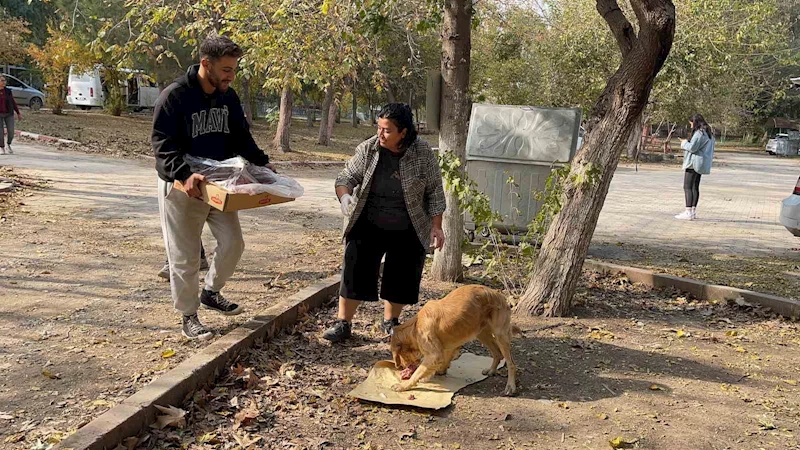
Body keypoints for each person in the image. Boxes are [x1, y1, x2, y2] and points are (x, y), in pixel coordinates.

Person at [153, 34, 274, 340]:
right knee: (186, 255)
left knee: (234, 243)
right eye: (226, 69)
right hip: (183, 185)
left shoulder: (228, 97)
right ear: (206, 64)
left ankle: (211, 291)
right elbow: (162, 145)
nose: (231, 76)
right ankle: (188, 316)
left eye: (234, 70)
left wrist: (261, 163)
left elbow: (240, 137)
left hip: (220, 184)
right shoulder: (175, 96)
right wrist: (183, 174)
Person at [322, 103, 446, 343]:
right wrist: (345, 195)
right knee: (354, 269)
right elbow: (346, 176)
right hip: (368, 222)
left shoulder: (423, 154)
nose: (380, 134)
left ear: (404, 132)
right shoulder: (369, 148)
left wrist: (436, 226)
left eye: (387, 130)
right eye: (379, 127)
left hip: (409, 224)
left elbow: (435, 193)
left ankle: (391, 322)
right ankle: (343, 323)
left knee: (402, 275)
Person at [675, 113, 715, 221]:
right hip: (701, 163)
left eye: (691, 123)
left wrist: (684, 143)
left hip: (693, 163)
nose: (691, 126)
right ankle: (692, 211)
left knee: (687, 186)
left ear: (695, 122)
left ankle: (688, 211)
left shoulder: (699, 133)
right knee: (695, 187)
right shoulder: (709, 133)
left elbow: (693, 148)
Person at [0, 75, 22, 155]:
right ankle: (1, 147)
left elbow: (13, 102)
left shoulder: (8, 91)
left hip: (9, 113)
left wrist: (18, 113)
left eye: (4, 80)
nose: (4, 82)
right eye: (2, 80)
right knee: (0, 132)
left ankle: (8, 144)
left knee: (11, 131)